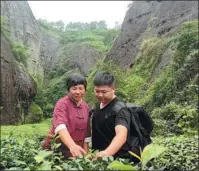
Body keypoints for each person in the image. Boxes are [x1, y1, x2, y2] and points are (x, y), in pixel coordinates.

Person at [91, 71, 140, 162]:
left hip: (120, 160)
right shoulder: (98, 106)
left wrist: (107, 153)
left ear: (113, 88)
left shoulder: (120, 110)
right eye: (97, 91)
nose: (100, 95)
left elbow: (121, 135)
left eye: (104, 92)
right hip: (103, 159)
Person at [42, 73, 91, 159]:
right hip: (57, 150)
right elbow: (60, 127)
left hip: (76, 151)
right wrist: (72, 146)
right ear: (68, 90)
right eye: (74, 88)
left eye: (81, 88)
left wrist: (86, 155)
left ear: (85, 90)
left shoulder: (86, 107)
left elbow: (86, 133)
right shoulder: (62, 104)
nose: (78, 92)